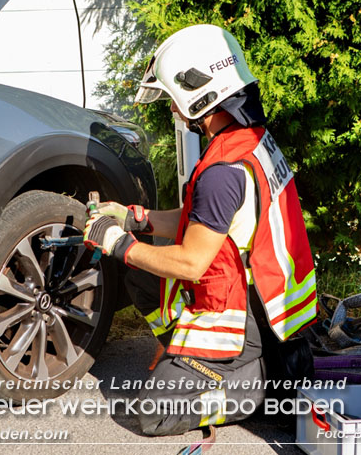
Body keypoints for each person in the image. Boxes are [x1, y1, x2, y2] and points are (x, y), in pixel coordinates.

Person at [83, 24, 317, 436]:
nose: (172, 109)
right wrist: (136, 219)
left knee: (154, 413)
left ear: (200, 93)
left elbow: (192, 262)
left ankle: (265, 390)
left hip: (247, 322)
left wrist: (119, 244)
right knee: (139, 268)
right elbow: (209, 220)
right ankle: (193, 356)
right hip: (274, 312)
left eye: (174, 99)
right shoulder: (251, 141)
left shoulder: (222, 171)